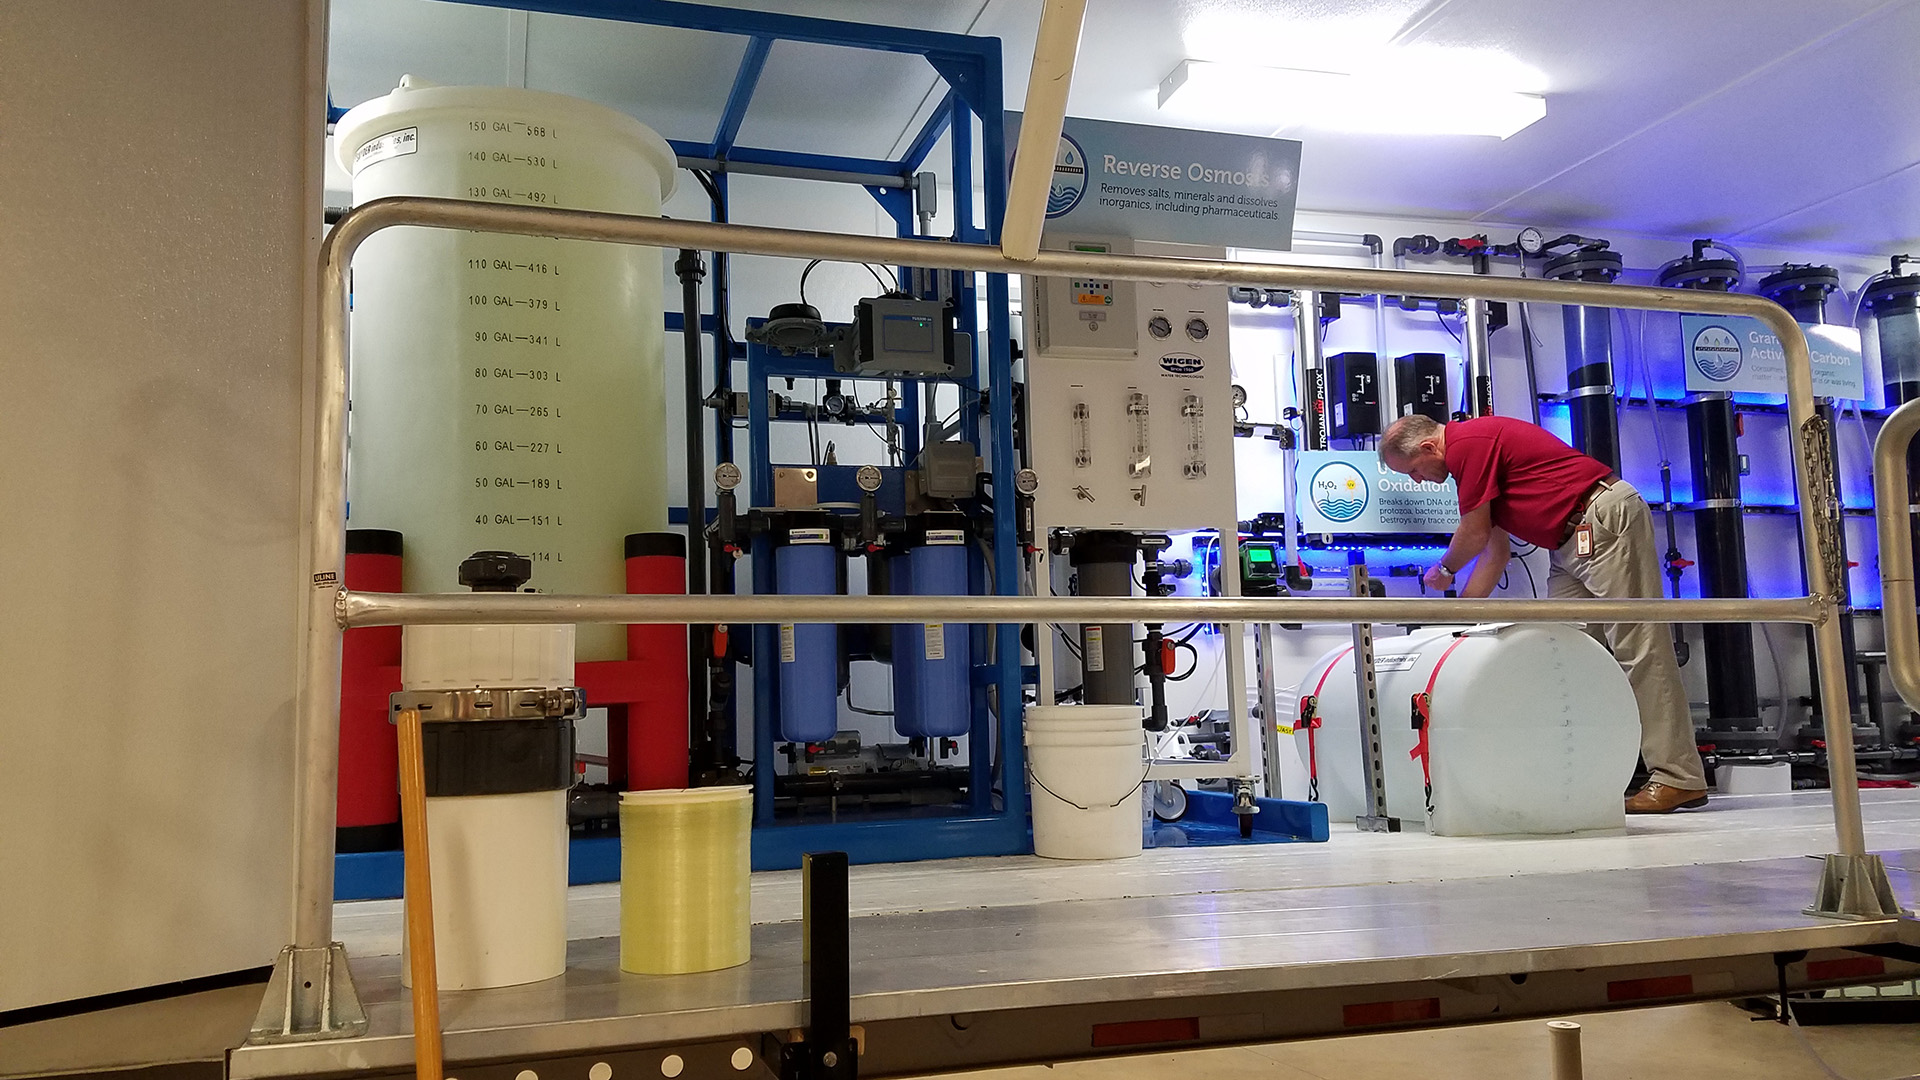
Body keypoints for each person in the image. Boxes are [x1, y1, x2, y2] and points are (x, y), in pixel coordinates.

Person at [1379, 413, 1708, 814]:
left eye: (1413, 470)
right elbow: (1494, 554)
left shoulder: (1469, 443)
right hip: (1568, 544)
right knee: (1567, 657)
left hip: (1598, 522)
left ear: (1429, 447)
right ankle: (1595, 773)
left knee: (1640, 649)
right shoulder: (1471, 466)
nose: (1417, 480)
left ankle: (1678, 777)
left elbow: (1474, 534)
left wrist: (1444, 569)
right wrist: (1454, 630)